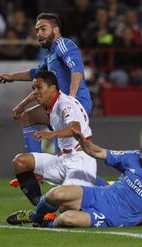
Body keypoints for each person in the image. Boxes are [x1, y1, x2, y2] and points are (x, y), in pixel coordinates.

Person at [7, 129, 142, 228]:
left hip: (113, 217)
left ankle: (47, 225)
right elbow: (98, 152)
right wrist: (83, 141)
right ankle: (34, 217)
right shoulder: (132, 157)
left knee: (67, 218)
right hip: (100, 195)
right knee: (56, 194)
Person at [0, 12, 92, 155]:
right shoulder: (50, 56)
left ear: (56, 30)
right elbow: (35, 75)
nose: (39, 33)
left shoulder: (64, 44)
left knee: (69, 160)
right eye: (37, 30)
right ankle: (37, 169)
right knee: (64, 160)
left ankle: (36, 169)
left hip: (76, 104)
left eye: (43, 29)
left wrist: (71, 100)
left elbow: (77, 70)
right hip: (58, 107)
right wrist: (12, 77)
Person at [8, 71, 97, 210]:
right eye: (33, 88)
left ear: (53, 88)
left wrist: (52, 134)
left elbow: (76, 129)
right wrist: (22, 105)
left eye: (39, 87)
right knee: (20, 162)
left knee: (66, 209)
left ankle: (45, 215)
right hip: (63, 159)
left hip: (80, 161)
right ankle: (40, 210)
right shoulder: (50, 104)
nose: (35, 92)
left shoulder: (65, 104)